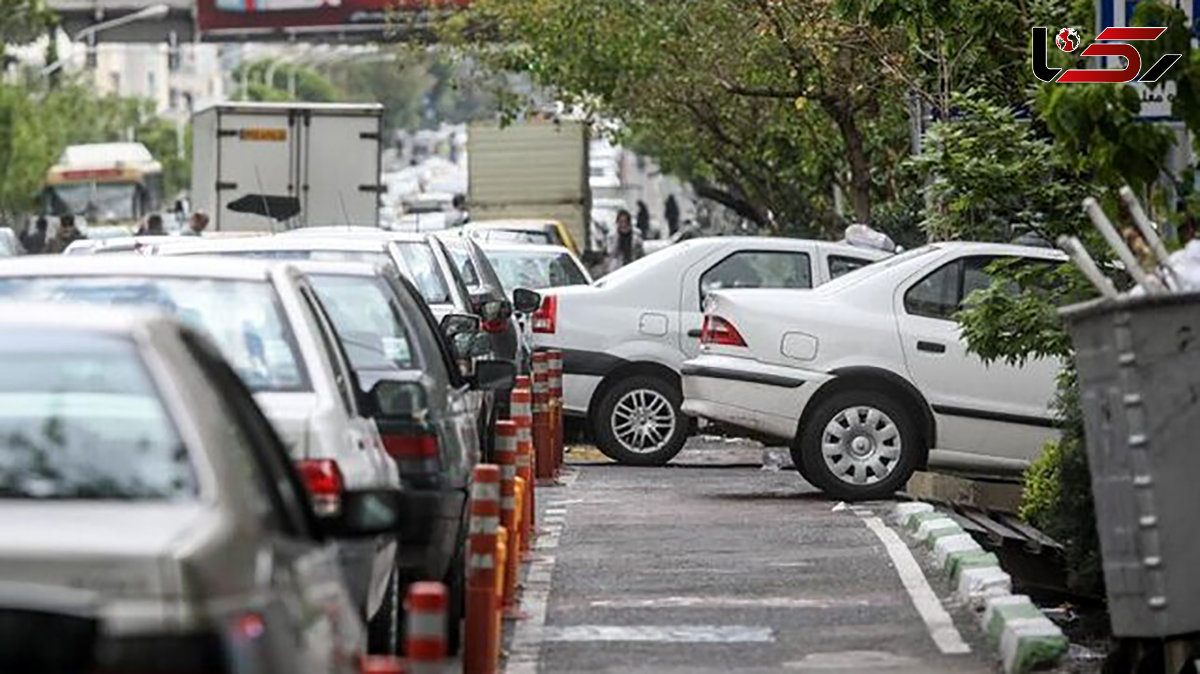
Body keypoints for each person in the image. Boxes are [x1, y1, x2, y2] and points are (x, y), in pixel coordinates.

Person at [606, 209, 643, 274]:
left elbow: (640, 253)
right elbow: (611, 252)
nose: (623, 224)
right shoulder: (612, 236)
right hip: (617, 269)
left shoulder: (636, 234)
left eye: (625, 222)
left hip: (634, 267)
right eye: (621, 222)